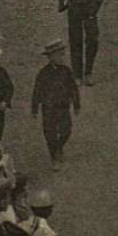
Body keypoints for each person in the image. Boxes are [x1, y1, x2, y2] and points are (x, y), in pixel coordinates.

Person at [31, 40, 81, 170]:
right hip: (48, 109)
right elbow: (37, 90)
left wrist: (76, 104)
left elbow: (73, 88)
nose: (61, 57)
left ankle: (59, 147)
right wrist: (35, 108)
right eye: (58, 55)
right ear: (51, 57)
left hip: (63, 107)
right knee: (50, 134)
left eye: (62, 54)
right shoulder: (43, 73)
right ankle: (54, 158)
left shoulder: (66, 71)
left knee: (66, 131)